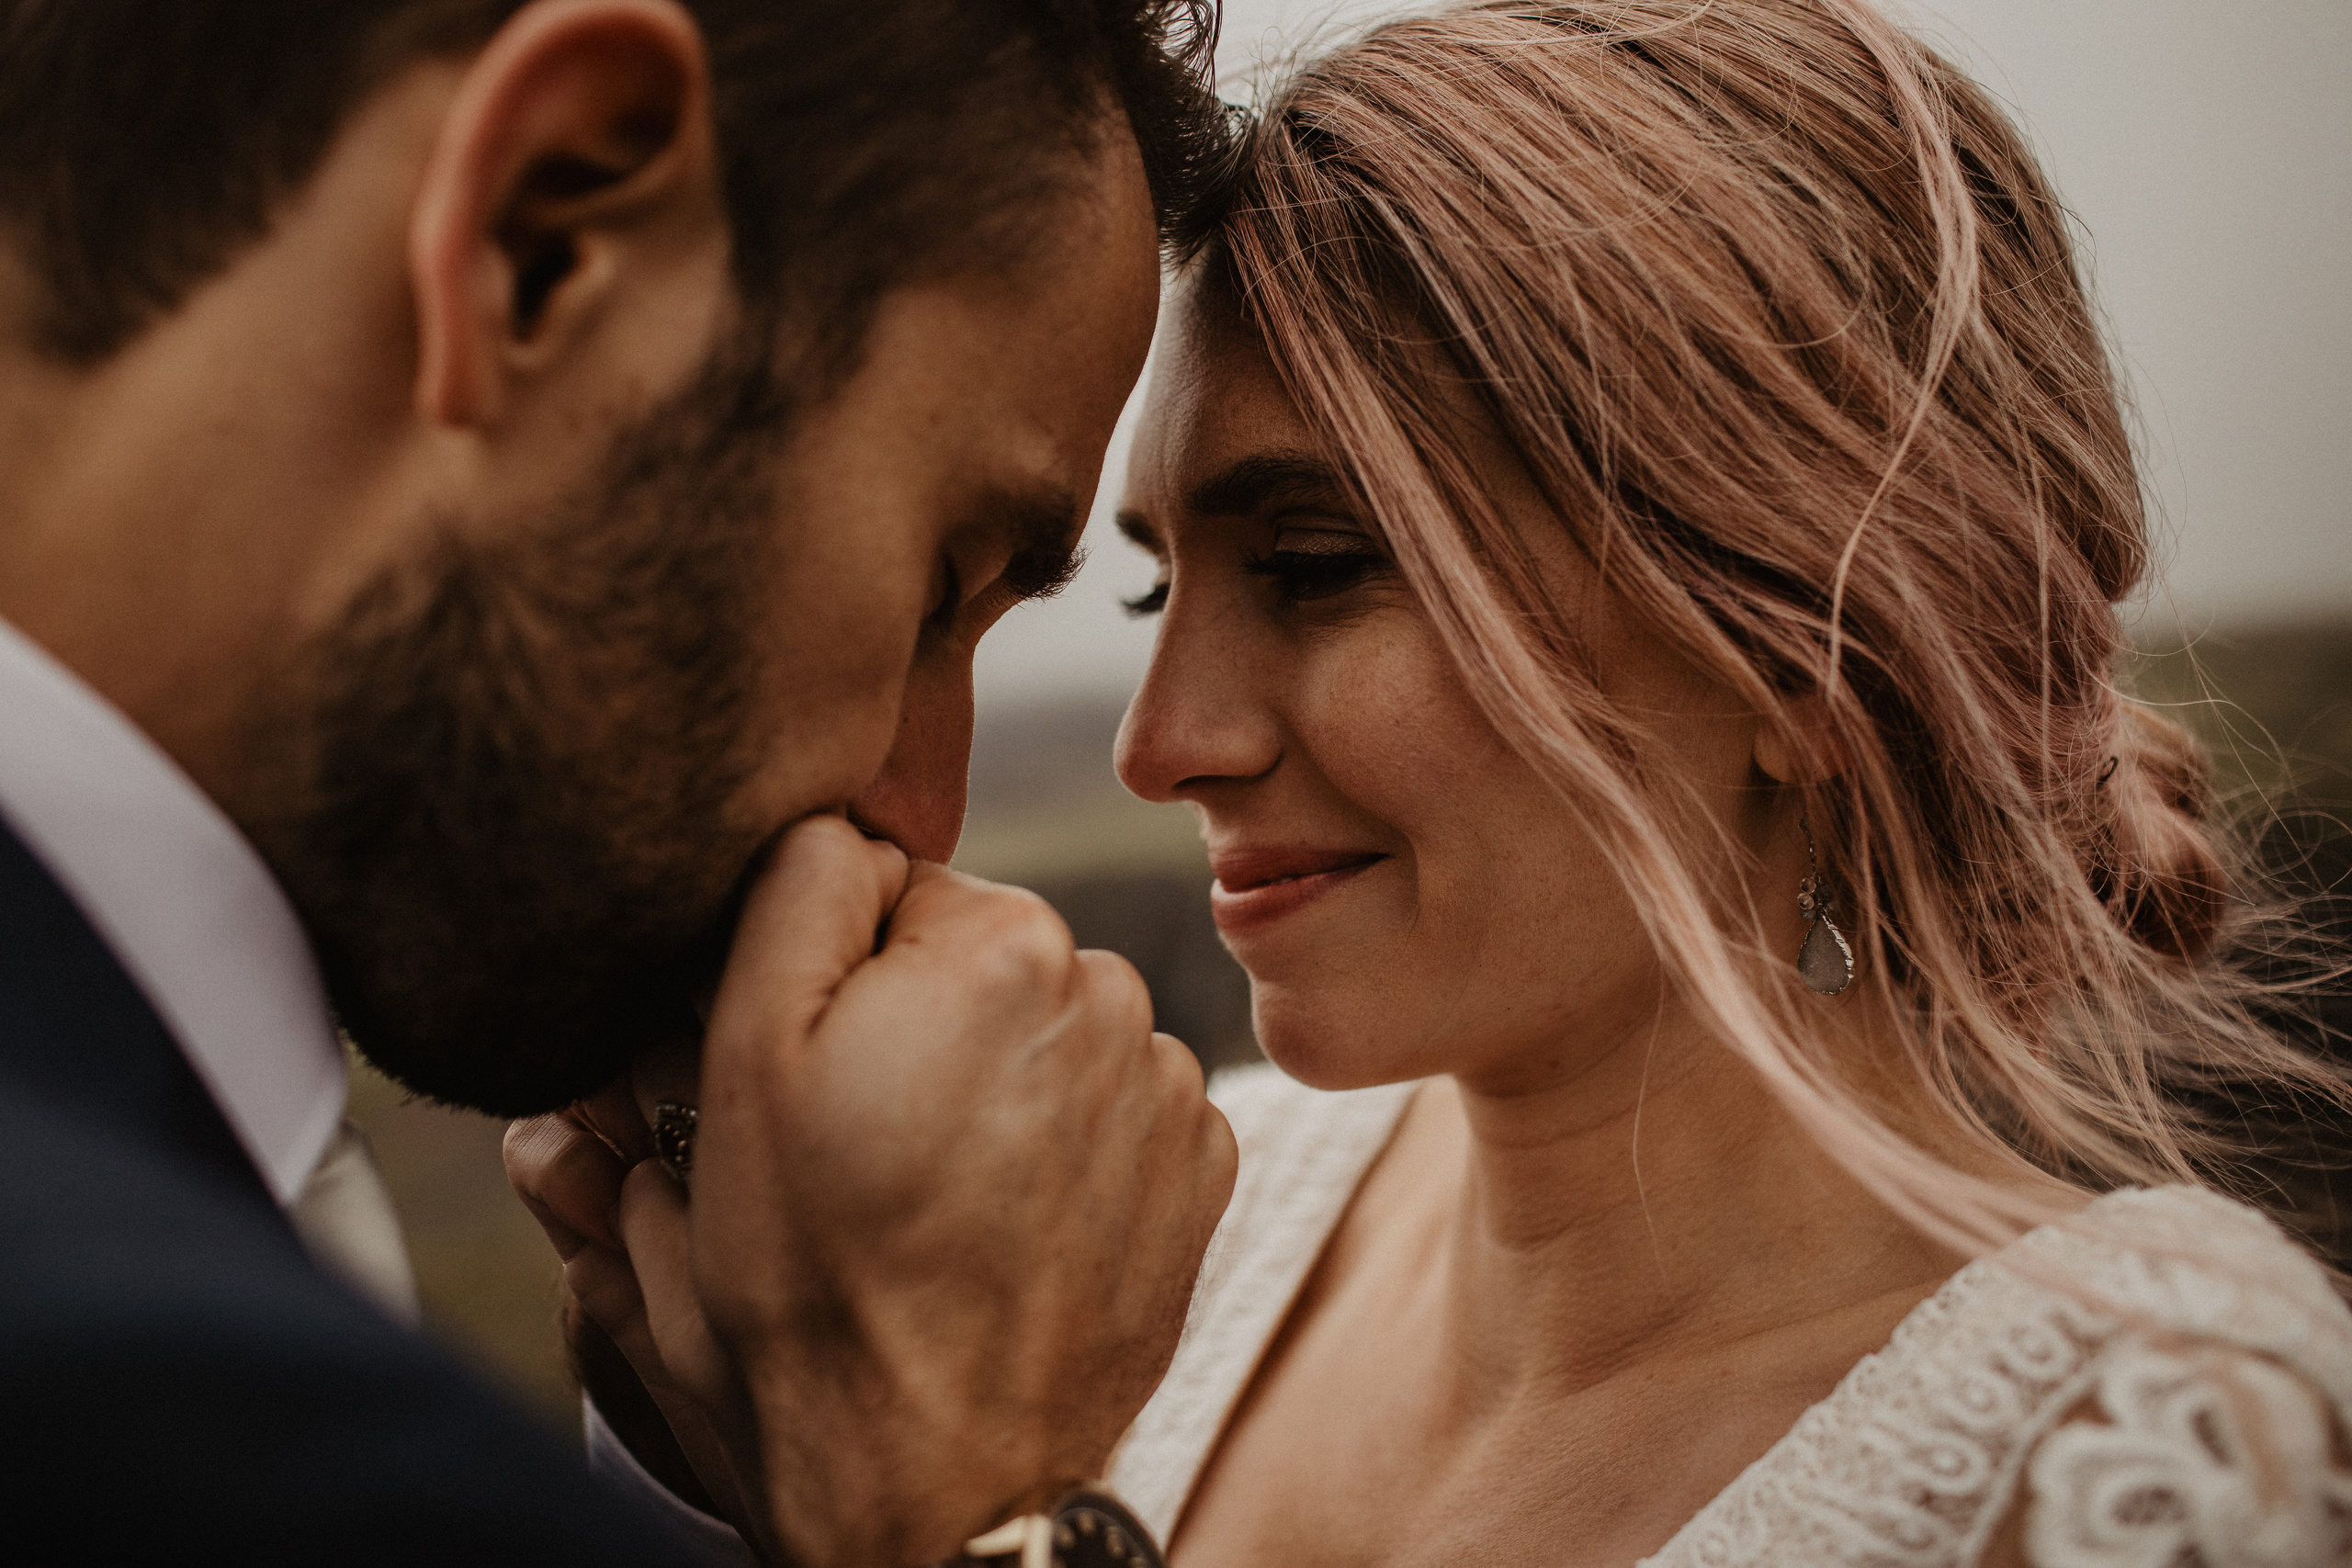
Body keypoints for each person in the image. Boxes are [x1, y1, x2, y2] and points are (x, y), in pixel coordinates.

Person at [1090, 2, 2352, 1563]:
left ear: (1806, 654)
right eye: (1155, 592)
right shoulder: (1188, 1224)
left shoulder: (2152, 1439)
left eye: (1314, 565)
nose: (1161, 745)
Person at [0, 2, 1238, 1563]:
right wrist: (973, 1506)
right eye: (943, 583)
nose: (920, 810)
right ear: (545, 229)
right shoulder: (148, 1415)